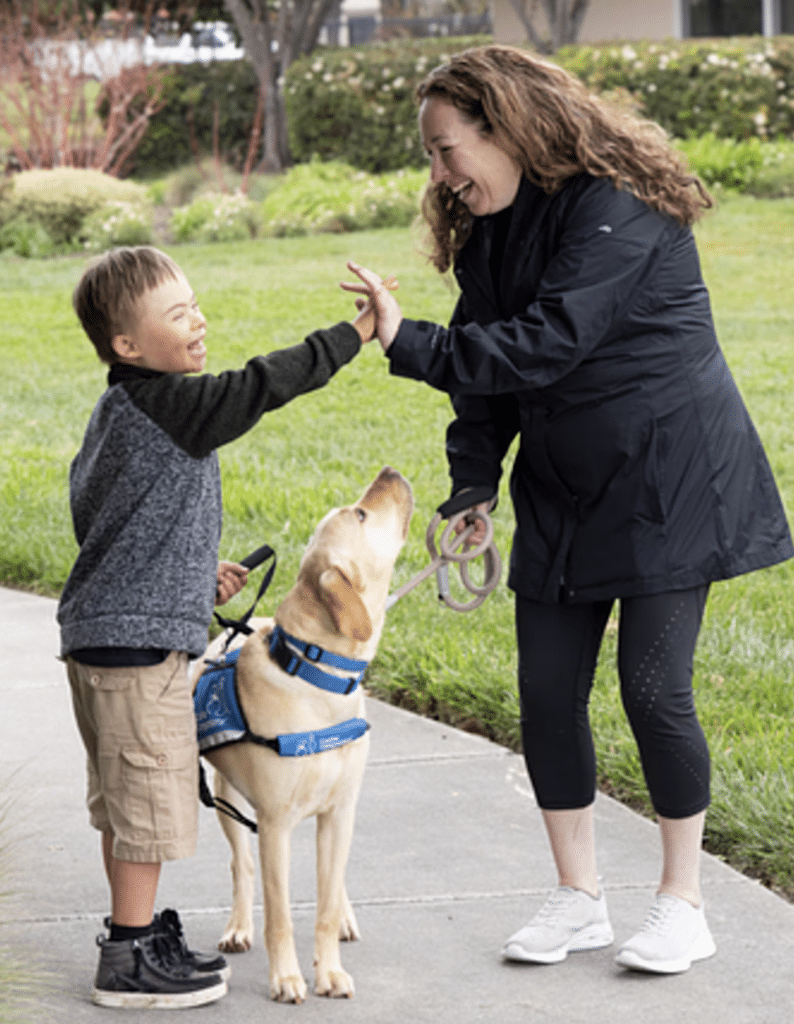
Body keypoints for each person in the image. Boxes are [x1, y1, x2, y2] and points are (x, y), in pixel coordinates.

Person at [342, 44, 793, 975]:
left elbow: (546, 344)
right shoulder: (494, 228)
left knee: (653, 691)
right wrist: (473, 484)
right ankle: (579, 898)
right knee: (547, 693)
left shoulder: (615, 206)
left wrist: (404, 339)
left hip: (668, 477)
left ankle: (682, 901)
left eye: (444, 148)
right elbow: (489, 368)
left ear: (506, 127)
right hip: (562, 480)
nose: (438, 174)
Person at [59, 245, 374, 1008]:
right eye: (177, 315)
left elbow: (108, 524)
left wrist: (193, 576)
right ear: (128, 346)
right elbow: (261, 386)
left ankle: (130, 931)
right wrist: (357, 334)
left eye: (195, 304)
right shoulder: (176, 404)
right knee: (149, 806)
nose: (198, 321)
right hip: (138, 656)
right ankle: (130, 961)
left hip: (103, 639)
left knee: (122, 803)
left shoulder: (118, 413)